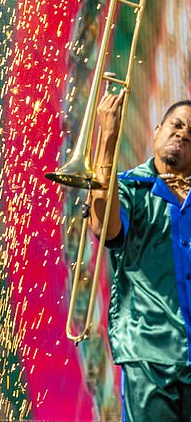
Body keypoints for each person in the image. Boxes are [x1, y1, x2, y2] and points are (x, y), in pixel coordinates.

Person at [88, 93, 191, 421]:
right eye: (176, 125)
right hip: (149, 359)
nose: (183, 135)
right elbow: (104, 227)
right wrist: (107, 140)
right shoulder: (129, 188)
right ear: (156, 130)